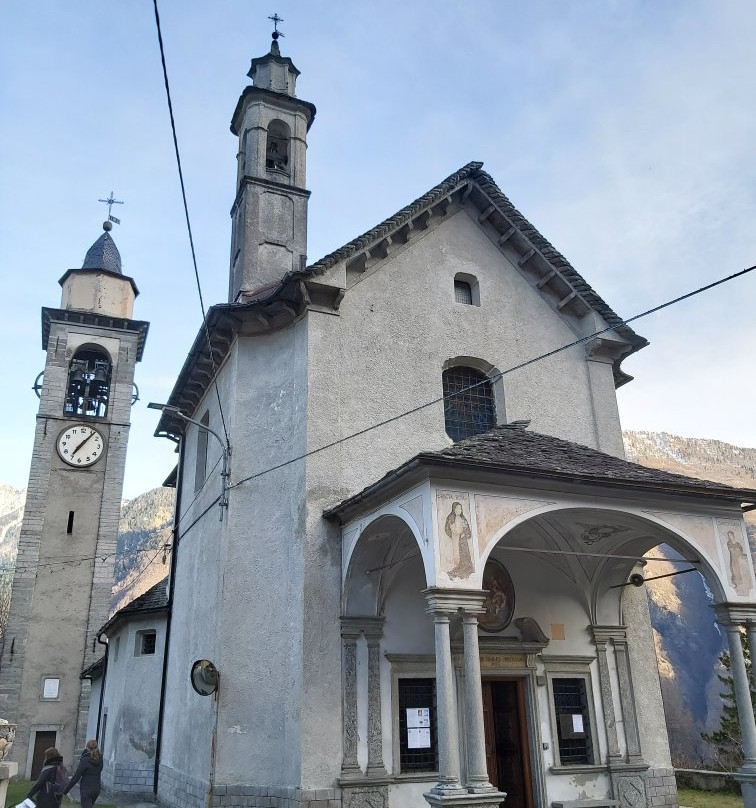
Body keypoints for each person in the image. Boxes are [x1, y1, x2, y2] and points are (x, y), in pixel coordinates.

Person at [64, 739, 104, 808]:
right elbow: (100, 770)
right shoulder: (100, 759)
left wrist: (66, 790)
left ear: (87, 748)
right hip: (96, 789)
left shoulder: (85, 760)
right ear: (97, 747)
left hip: (86, 790)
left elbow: (76, 777)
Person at [445, 501, 474, 579]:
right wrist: (454, 535)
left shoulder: (463, 518)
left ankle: (467, 568)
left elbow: (467, 529)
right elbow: (447, 528)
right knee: (457, 553)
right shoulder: (450, 518)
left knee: (465, 553)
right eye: (457, 508)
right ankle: (458, 568)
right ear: (454, 509)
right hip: (455, 538)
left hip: (463, 540)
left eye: (460, 509)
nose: (459, 510)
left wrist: (465, 533)